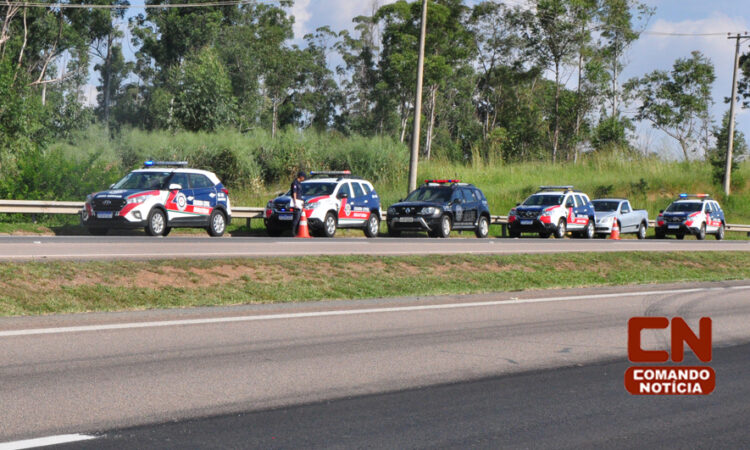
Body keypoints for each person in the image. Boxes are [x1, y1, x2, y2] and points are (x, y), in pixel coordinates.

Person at [290, 171, 306, 236]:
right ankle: (293, 233)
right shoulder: (295, 183)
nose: (304, 179)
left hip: (299, 202)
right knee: (296, 218)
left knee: (299, 218)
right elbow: (294, 193)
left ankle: (297, 232)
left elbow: (299, 193)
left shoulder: (299, 183)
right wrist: (295, 202)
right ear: (301, 177)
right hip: (296, 202)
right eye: (304, 177)